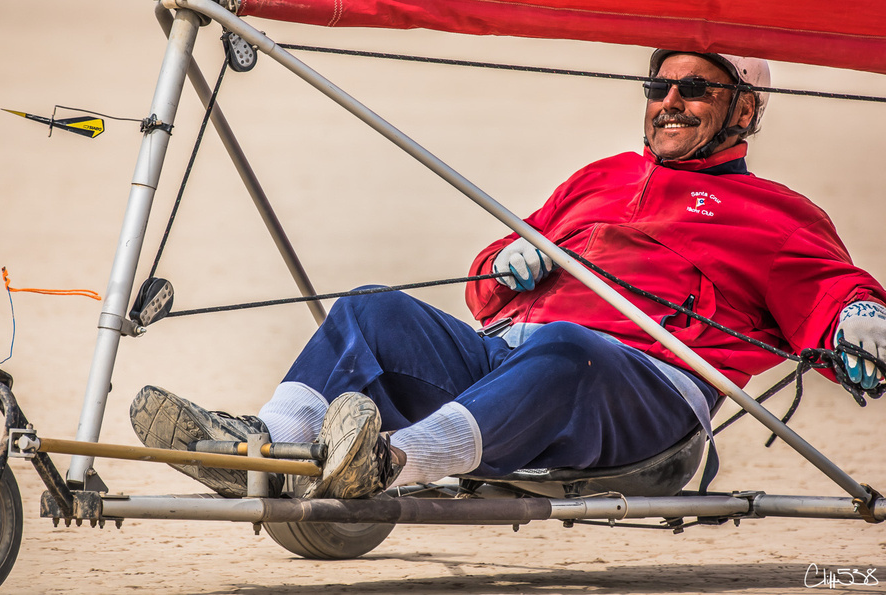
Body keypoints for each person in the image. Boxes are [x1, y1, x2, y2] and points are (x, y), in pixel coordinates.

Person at [130, 50, 886, 500]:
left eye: (695, 89)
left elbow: (830, 290)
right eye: (658, 87)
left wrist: (859, 316)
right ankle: (264, 446)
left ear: (746, 109)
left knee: (566, 348)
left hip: (645, 395)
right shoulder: (601, 176)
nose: (670, 101)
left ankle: (389, 460)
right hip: (517, 361)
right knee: (370, 311)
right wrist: (504, 264)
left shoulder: (774, 210)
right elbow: (485, 289)